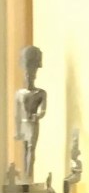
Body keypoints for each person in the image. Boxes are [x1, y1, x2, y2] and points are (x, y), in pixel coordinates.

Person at [15, 46, 47, 183]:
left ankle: (28, 176)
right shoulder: (19, 94)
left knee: (31, 149)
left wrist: (38, 115)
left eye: (31, 75)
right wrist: (17, 130)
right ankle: (25, 177)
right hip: (24, 123)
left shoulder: (40, 93)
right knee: (24, 150)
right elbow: (17, 114)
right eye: (27, 75)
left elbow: (43, 110)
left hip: (33, 123)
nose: (29, 77)